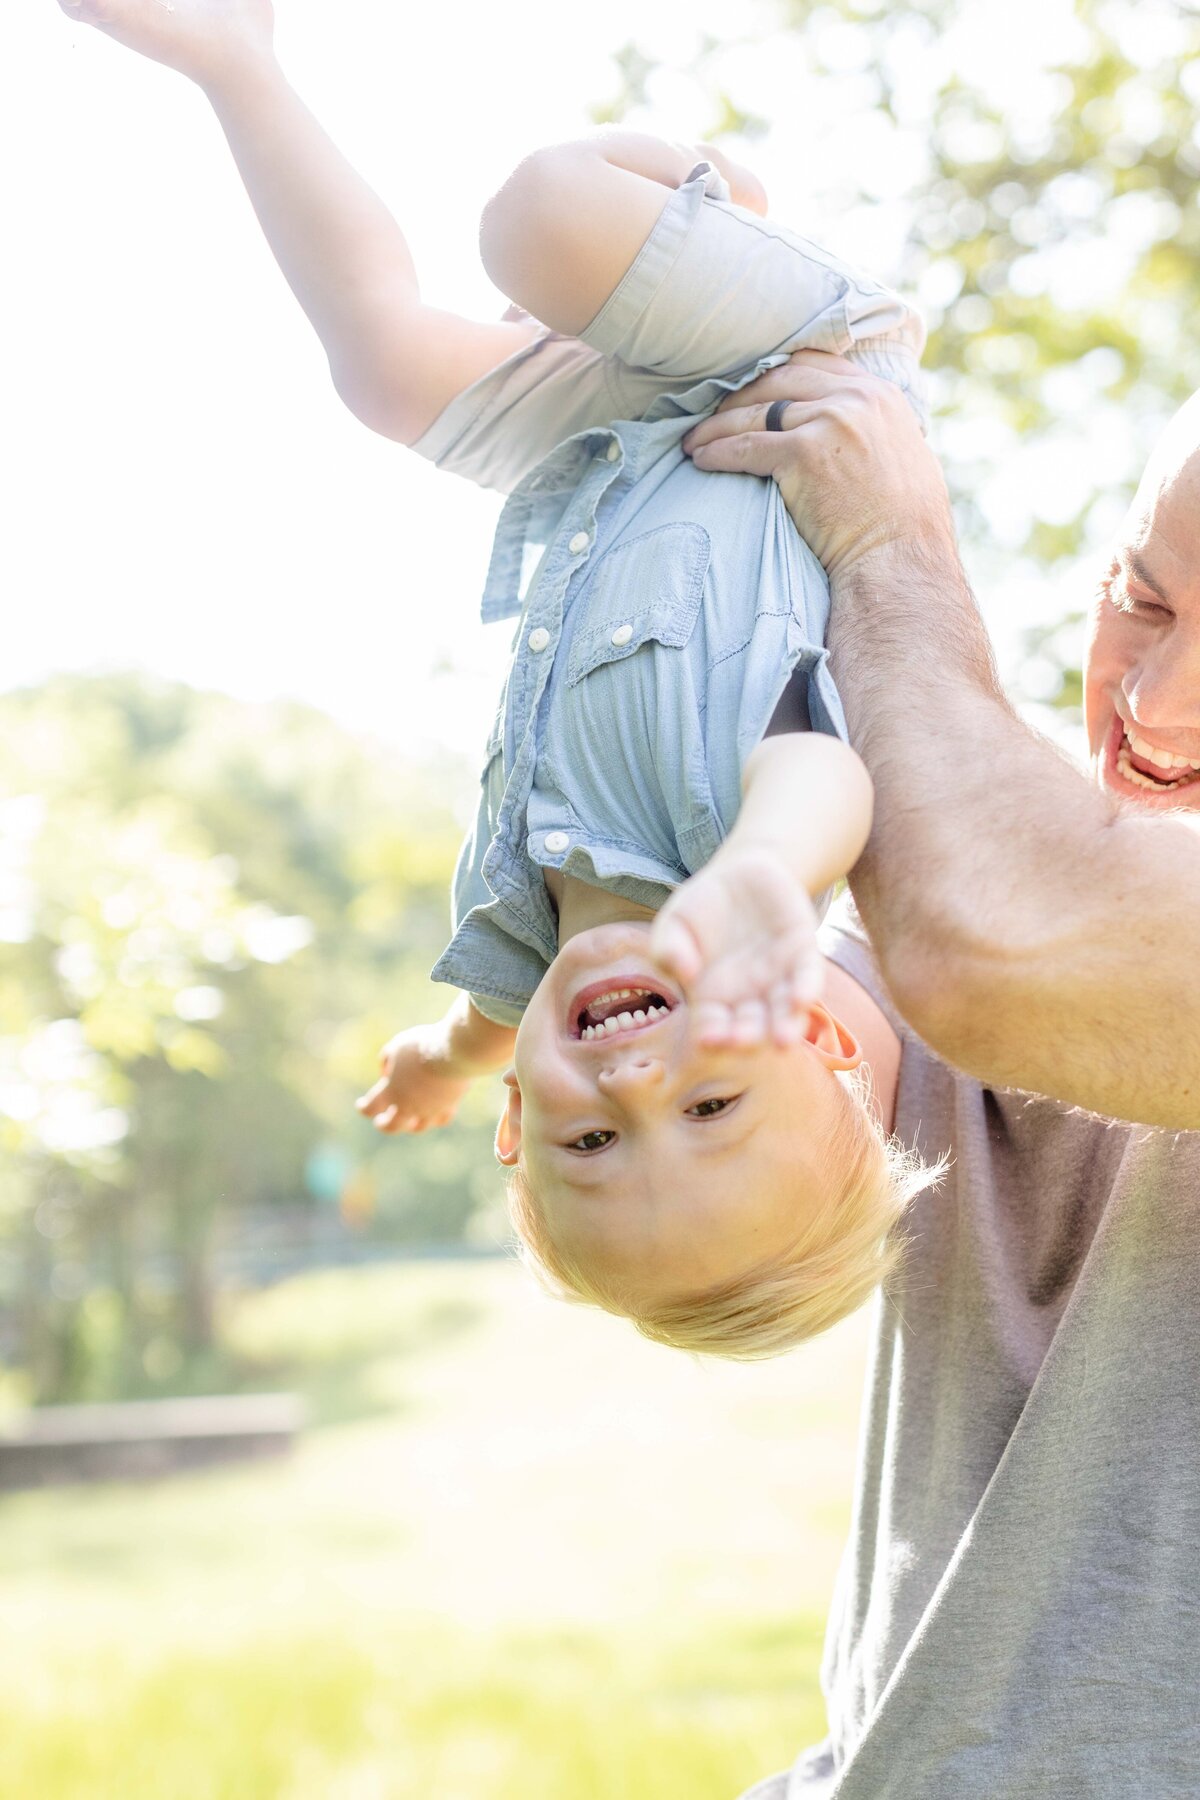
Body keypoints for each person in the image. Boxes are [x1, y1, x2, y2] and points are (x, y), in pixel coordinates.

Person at [59, 0, 937, 1357]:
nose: (641, 1076)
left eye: (595, 1136)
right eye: (710, 1110)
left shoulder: (520, 955)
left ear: (521, 1123)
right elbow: (817, 764)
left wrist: (441, 1060)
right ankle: (717, 204)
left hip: (620, 444)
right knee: (535, 216)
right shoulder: (743, 857)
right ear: (815, 1041)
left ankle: (232, 52)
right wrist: (764, 871)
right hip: (795, 376)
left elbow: (483, 1029)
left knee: (383, 370)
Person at [685, 357, 1200, 1794]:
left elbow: (986, 944)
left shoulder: (994, 886)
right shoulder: (986, 833)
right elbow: (827, 1045)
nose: (1154, 702)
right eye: (1142, 596)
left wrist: (893, 549)